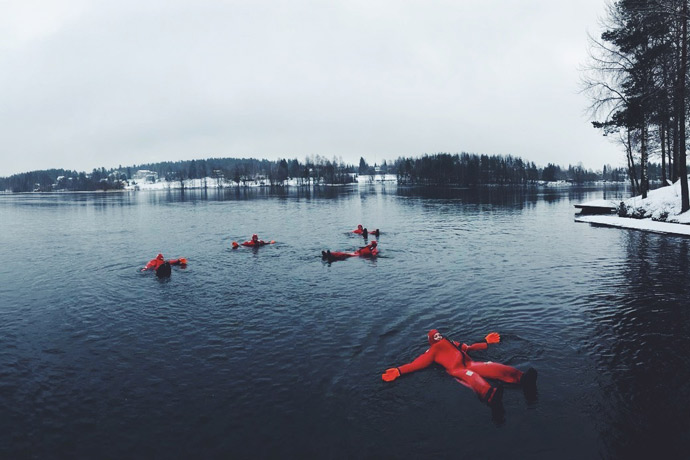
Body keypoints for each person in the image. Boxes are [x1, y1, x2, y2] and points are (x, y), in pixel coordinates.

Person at [382, 329, 537, 408]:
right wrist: (399, 370)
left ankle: (521, 378)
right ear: (433, 341)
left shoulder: (452, 343)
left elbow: (468, 348)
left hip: (470, 364)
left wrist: (486, 342)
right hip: (458, 371)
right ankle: (491, 395)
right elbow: (416, 364)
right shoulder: (432, 352)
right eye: (436, 337)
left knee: (495, 367)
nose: (439, 338)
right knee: (474, 378)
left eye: (439, 335)